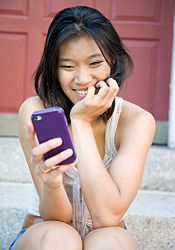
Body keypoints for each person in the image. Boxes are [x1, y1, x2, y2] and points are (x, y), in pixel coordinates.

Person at [10, 5, 155, 250]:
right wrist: (52, 183)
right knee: (61, 239)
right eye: (67, 66)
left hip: (106, 233)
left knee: (107, 241)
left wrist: (81, 122)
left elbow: (106, 217)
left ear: (113, 61)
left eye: (95, 63)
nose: (82, 79)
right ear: (53, 69)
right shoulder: (37, 110)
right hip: (46, 231)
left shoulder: (136, 121)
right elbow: (57, 219)